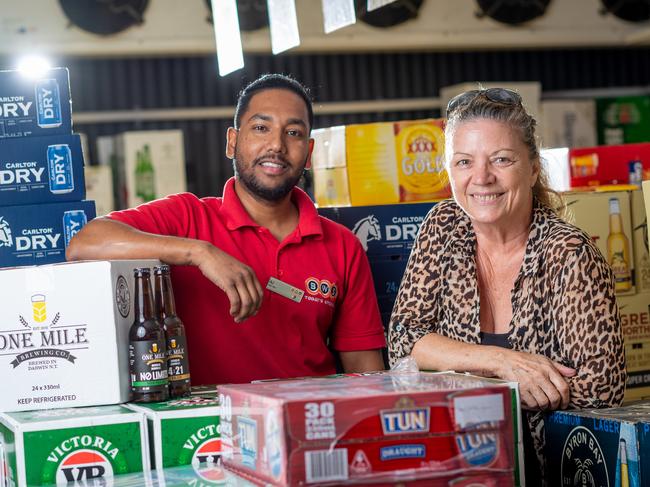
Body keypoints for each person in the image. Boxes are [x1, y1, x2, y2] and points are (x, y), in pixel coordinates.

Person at [67, 74, 386, 385]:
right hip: (205, 432)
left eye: (293, 133)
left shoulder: (342, 245)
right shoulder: (188, 218)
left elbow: (364, 369)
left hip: (309, 424)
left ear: (309, 152)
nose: (276, 145)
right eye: (261, 128)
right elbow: (84, 243)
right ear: (232, 142)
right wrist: (197, 252)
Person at [387, 88, 625, 484]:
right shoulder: (443, 225)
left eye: (501, 159)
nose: (481, 178)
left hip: (550, 472)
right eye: (464, 161)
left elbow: (601, 389)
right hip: (457, 467)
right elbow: (402, 342)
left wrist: (454, 367)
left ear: (532, 168)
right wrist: (503, 363)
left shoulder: (568, 253)